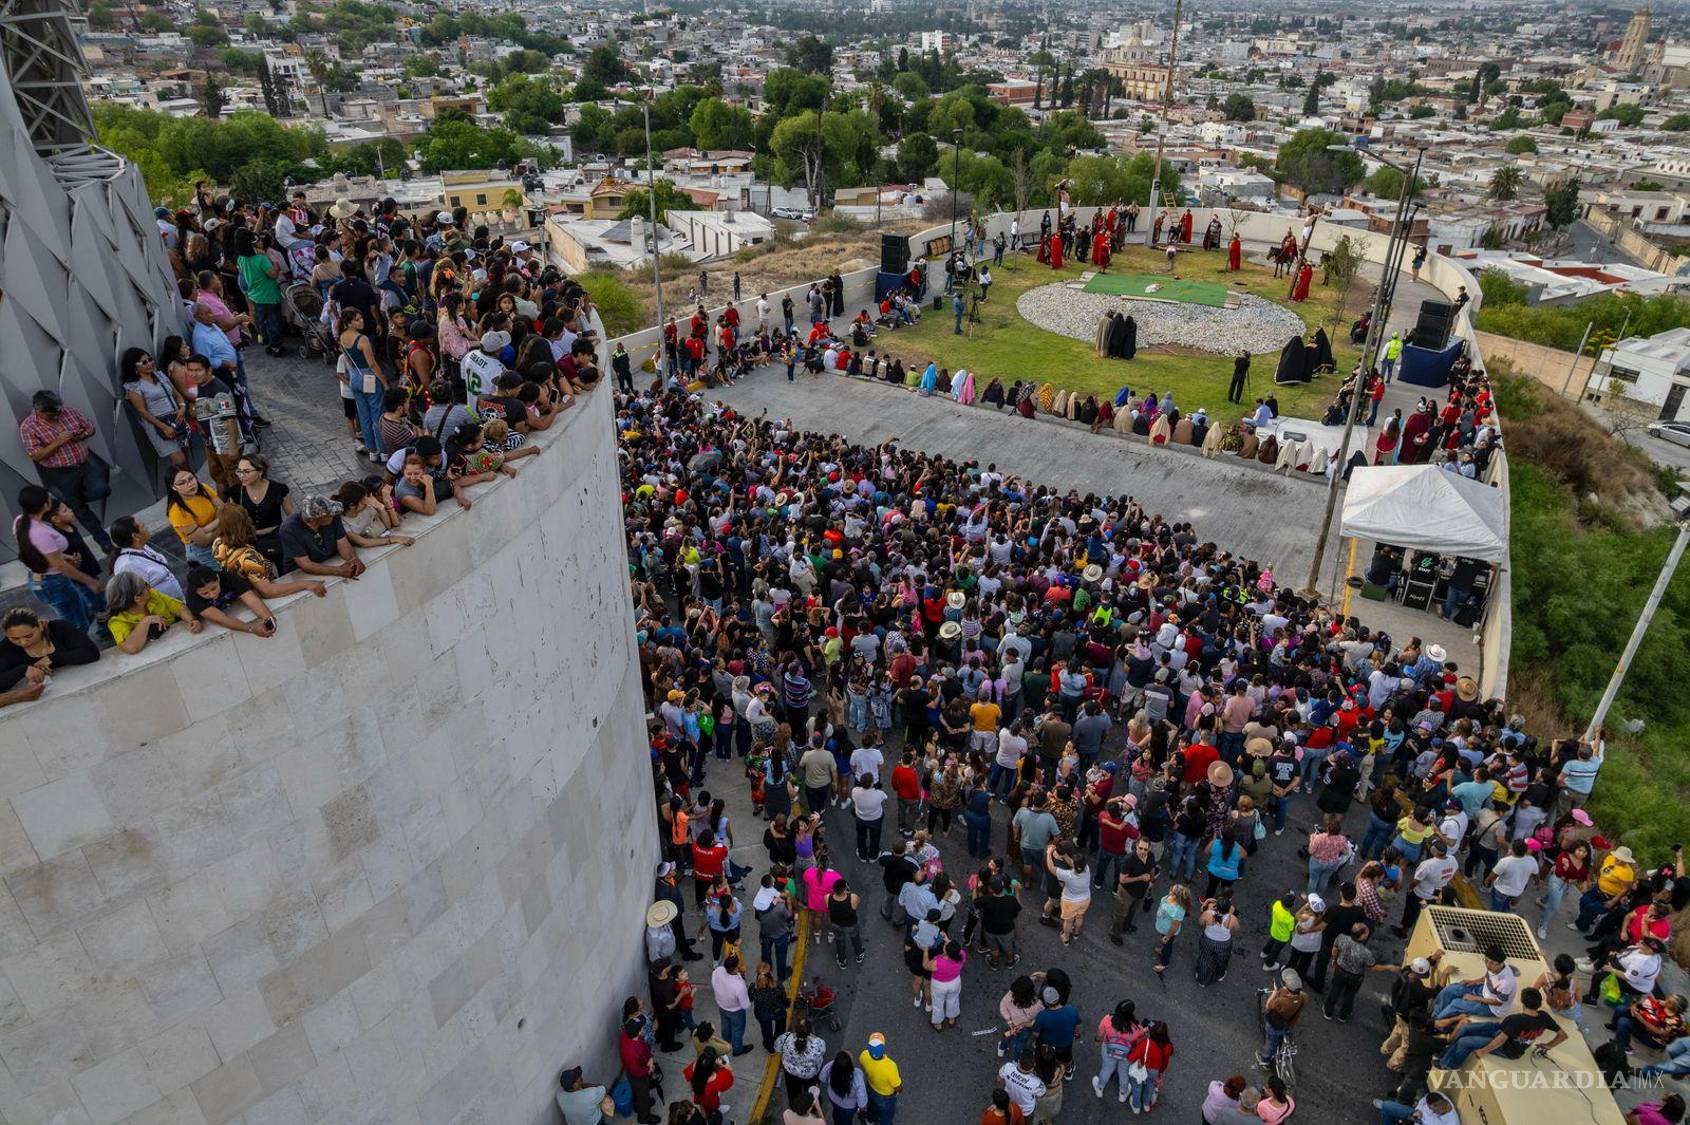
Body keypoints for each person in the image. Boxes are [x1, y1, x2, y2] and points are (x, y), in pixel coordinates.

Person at [19, 390, 115, 553]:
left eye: (58, 412)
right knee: (79, 510)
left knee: (102, 489)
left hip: (84, 465)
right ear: (39, 411)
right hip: (61, 473)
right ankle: (104, 542)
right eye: (51, 415)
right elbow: (35, 455)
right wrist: (58, 442)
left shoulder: (69, 411)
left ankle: (76, 499)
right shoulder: (28, 427)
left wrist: (82, 435)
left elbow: (90, 428)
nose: (57, 416)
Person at [13, 485, 107, 633]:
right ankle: (78, 650)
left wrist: (64, 556)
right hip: (52, 582)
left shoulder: (20, 521)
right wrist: (90, 581)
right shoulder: (41, 532)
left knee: (80, 611)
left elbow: (38, 551)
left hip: (37, 578)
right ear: (45, 505)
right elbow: (59, 566)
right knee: (76, 623)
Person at [1437, 986, 1565, 1069]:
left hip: (1507, 1049)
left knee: (1464, 1042)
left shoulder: (1515, 1019)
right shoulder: (1543, 1016)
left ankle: (1449, 1064)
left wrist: (1483, 1051)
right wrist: (1548, 1046)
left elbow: (1501, 1040)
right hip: (1503, 1030)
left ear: (1522, 1002)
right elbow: (1563, 1035)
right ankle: (1445, 1052)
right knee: (1465, 1029)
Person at [0, 606, 100, 708]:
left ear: (40, 626)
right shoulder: (6, 648)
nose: (23, 642)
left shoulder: (59, 628)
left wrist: (52, 658)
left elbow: (91, 652)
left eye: (29, 636)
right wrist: (23, 670)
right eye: (15, 639)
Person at [1258, 969, 1306, 1070]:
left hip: (1276, 1026)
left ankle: (1265, 1061)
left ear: (1287, 989)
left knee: (1271, 1043)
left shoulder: (1282, 1001)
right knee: (1288, 1032)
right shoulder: (1303, 997)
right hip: (1290, 1023)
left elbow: (1268, 1005)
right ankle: (1291, 1044)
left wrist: (1275, 992)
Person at [859, 1033, 902, 1125]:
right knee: (886, 1115)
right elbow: (897, 1086)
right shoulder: (890, 1066)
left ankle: (870, 1120)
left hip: (870, 1086)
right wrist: (898, 1091)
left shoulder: (864, 1055)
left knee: (871, 1105)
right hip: (885, 1096)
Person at [819, 1050, 868, 1125]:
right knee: (847, 1121)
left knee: (836, 1113)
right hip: (848, 1106)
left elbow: (822, 1078)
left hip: (833, 1098)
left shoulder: (831, 1065)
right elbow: (862, 1100)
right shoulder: (857, 1075)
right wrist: (862, 1109)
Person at [1375, 1091, 1459, 1125]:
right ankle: (1385, 1106)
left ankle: (1385, 1106)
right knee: (1387, 1109)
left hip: (1420, 1123)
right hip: (1415, 1115)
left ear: (1441, 1107)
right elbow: (1423, 1101)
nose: (1431, 1111)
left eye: (1433, 1109)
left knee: (1386, 1110)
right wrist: (1418, 1110)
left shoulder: (1452, 1122)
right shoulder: (1437, 1095)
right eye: (1429, 1108)